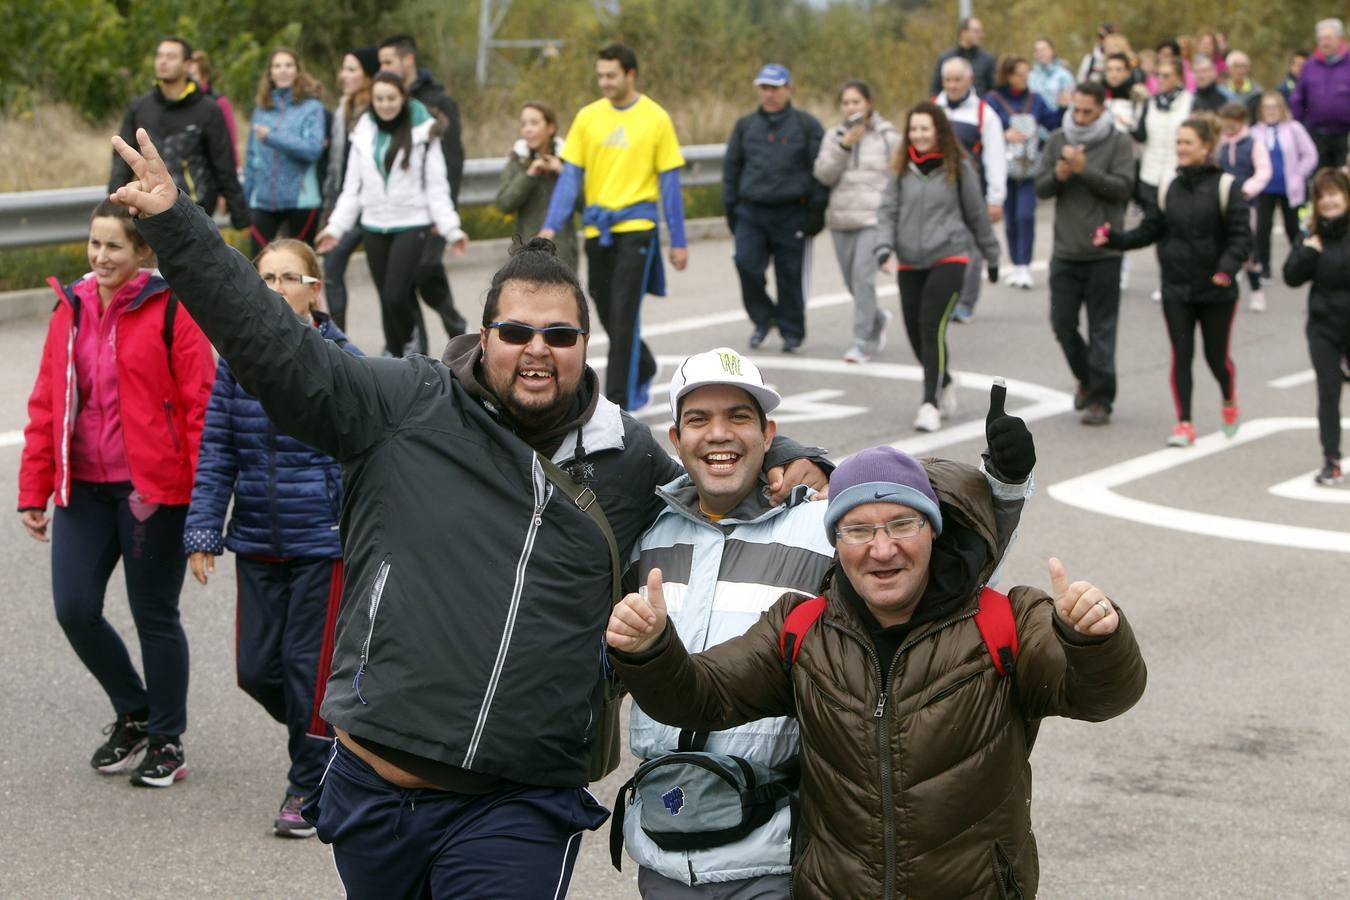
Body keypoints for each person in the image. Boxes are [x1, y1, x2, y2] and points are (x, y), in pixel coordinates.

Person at [109, 127, 829, 897]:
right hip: (375, 787)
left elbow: (716, 451)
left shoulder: (627, 458)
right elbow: (277, 347)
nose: (536, 350)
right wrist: (178, 224)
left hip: (517, 803)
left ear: (584, 344)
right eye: (515, 332)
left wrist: (800, 454)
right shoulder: (402, 402)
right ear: (482, 335)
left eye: (559, 335)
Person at [606, 440, 1147, 900]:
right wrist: (652, 650)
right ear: (835, 543)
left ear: (932, 529)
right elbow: (700, 696)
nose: (882, 549)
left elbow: (1104, 695)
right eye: (858, 530)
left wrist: (1093, 638)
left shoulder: (1007, 621)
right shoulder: (800, 628)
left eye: (902, 524)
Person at [616, 355, 1036, 898]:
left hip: (778, 852)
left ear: (770, 433)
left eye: (740, 417)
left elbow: (948, 568)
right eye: (698, 420)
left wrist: (1004, 486)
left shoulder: (824, 523)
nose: (718, 433)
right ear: (675, 437)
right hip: (665, 849)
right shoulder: (648, 537)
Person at [18, 199, 214, 788]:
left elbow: (202, 408)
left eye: (114, 246)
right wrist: (35, 487)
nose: (101, 256)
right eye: (94, 243)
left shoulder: (172, 307)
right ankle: (135, 711)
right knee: (74, 609)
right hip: (84, 488)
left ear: (143, 252)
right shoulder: (70, 306)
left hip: (152, 490)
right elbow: (47, 400)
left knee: (154, 614)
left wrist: (205, 503)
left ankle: (167, 738)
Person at [184, 239, 361, 836]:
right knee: (257, 670)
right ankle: (334, 740)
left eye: (290, 278)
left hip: (323, 542)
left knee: (307, 668)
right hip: (257, 538)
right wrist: (204, 528)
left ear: (315, 289)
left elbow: (368, 450)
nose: (278, 289)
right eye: (267, 279)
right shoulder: (238, 360)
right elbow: (216, 451)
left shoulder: (342, 359)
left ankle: (307, 790)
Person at [541, 43, 690, 410]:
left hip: (637, 228)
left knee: (624, 313)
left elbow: (670, 185)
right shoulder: (588, 117)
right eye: (600, 76)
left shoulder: (655, 118)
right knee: (603, 308)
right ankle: (647, 363)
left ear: (630, 75)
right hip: (598, 230)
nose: (604, 82)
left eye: (611, 75)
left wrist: (678, 240)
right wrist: (550, 226)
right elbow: (570, 178)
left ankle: (617, 405)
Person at [1097, 116, 1252, 447]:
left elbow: (1241, 237)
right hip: (1176, 287)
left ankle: (1228, 397)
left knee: (1215, 358)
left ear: (1206, 147)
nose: (1180, 148)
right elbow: (1150, 229)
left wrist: (1226, 269)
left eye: (1187, 143)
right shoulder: (1169, 186)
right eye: (1178, 142)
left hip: (1217, 289)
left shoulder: (1226, 187)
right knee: (1181, 355)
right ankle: (1185, 423)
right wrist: (1115, 239)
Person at [316, 72, 468, 357]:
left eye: (391, 98)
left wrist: (452, 229)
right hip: (374, 225)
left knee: (396, 295)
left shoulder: (424, 131)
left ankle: (408, 343)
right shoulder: (363, 130)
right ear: (372, 100)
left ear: (403, 98)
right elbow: (352, 188)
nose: (385, 105)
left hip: (412, 224)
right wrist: (335, 228)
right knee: (386, 300)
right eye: (379, 99)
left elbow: (437, 186)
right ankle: (395, 356)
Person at [875, 102, 999, 432]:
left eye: (925, 129)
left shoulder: (958, 167)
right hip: (911, 261)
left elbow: (976, 215)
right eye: (913, 129)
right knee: (916, 334)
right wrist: (884, 247)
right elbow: (887, 211)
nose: (918, 135)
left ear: (939, 131)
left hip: (950, 256)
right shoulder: (901, 168)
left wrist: (993, 255)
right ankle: (944, 379)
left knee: (932, 327)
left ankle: (929, 403)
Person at [1036, 81, 1136, 427]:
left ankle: (1100, 399)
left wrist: (1084, 170)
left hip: (1104, 252)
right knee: (1061, 323)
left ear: (1102, 110)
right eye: (1075, 109)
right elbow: (1041, 186)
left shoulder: (1117, 142)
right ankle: (1086, 377)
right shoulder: (1057, 140)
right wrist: (1059, 174)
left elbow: (1124, 188)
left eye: (1086, 111)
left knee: (1102, 330)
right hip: (1065, 249)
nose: (1079, 116)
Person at [723, 64, 827, 353]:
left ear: (788, 89)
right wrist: (731, 209)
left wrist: (816, 213)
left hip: (792, 213)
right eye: (764, 88)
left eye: (775, 88)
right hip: (751, 213)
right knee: (746, 264)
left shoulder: (807, 125)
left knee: (790, 275)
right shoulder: (745, 126)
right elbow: (731, 169)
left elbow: (821, 171)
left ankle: (792, 330)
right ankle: (764, 317)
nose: (769, 94)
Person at [378, 35, 469, 343]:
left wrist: (444, 213)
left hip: (432, 207)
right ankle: (414, 349)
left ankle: (453, 322)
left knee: (426, 269)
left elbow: (452, 161)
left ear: (408, 61)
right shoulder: (389, 102)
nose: (383, 69)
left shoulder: (438, 102)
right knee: (402, 284)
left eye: (388, 62)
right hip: (399, 214)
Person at [109, 37, 248, 230]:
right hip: (151, 210)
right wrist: (114, 209)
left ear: (188, 65)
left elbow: (223, 163)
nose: (163, 61)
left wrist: (240, 215)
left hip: (196, 212)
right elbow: (121, 161)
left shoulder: (208, 110)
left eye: (171, 56)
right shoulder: (140, 107)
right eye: (159, 56)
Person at [813, 79, 899, 363]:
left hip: (873, 220)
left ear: (868, 104)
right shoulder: (833, 136)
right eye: (846, 103)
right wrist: (844, 146)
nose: (851, 107)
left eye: (856, 102)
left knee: (863, 281)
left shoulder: (887, 137)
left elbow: (898, 178)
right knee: (852, 283)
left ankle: (861, 342)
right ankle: (876, 318)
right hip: (841, 220)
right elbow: (823, 174)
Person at [1283, 168, 1350, 486]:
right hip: (1323, 325)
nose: (1329, 201)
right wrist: (1309, 251)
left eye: (1334, 193)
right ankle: (1331, 458)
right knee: (1328, 391)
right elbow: (1291, 277)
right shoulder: (1312, 236)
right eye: (1322, 196)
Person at [934, 57, 1005, 323]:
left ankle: (965, 301)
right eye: (947, 80)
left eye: (957, 80)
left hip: (972, 193)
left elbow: (995, 158)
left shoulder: (984, 114)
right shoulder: (933, 109)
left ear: (969, 80)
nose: (952, 85)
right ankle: (944, 298)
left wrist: (995, 198)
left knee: (971, 249)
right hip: (937, 193)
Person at [986, 55, 1062, 289]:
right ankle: (1016, 264)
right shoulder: (993, 100)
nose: (1025, 78)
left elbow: (1051, 122)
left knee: (1025, 215)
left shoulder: (1035, 99)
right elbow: (986, 128)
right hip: (1003, 167)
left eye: (1027, 73)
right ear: (1008, 76)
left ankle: (1025, 266)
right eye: (1020, 73)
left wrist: (1065, 107)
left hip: (1029, 167)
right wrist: (1002, 134)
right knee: (1010, 219)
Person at [243, 47, 326, 256]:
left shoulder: (312, 107)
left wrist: (273, 137)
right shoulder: (261, 110)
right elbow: (252, 159)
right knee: (257, 265)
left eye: (288, 65)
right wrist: (246, 199)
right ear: (270, 73)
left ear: (298, 71)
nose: (283, 70)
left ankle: (312, 290)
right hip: (263, 201)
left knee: (302, 270)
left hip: (301, 200)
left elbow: (313, 150)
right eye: (277, 66)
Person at [320, 46, 378, 332]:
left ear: (369, 75)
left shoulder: (380, 108)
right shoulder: (344, 108)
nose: (344, 75)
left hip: (376, 206)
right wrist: (331, 205)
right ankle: (338, 335)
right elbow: (337, 163)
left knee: (389, 280)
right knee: (331, 265)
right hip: (347, 203)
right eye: (344, 68)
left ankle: (407, 337)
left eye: (352, 69)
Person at [496, 101, 580, 273]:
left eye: (534, 123)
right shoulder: (516, 162)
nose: (528, 129)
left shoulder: (569, 161)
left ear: (550, 127)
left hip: (563, 254)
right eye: (524, 124)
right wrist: (530, 175)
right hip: (525, 254)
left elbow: (586, 204)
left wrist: (562, 173)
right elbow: (504, 204)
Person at [1251, 92, 1319, 296]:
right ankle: (1264, 267)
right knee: (1262, 228)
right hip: (1264, 188)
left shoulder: (1294, 129)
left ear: (1281, 109)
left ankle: (1300, 265)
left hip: (1290, 188)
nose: (1270, 111)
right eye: (1266, 107)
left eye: (1275, 107)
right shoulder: (1255, 132)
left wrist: (1299, 174)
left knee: (1293, 229)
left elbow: (1310, 154)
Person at [1217, 103, 1273, 310]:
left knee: (1248, 246)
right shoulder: (1220, 144)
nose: (1228, 127)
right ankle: (1224, 287)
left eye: (1233, 123)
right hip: (1222, 202)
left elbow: (1264, 171)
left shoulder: (1253, 144)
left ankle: (1256, 290)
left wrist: (1246, 189)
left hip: (1246, 203)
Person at [1290, 19, 1350, 171]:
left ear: (1339, 39)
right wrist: (1296, 128)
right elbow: (1298, 98)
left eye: (1328, 38)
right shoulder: (1310, 66)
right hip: (1316, 135)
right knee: (1319, 178)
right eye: (1321, 39)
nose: (1324, 43)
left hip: (1346, 136)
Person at [186, 50, 238, 166]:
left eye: (193, 75)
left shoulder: (220, 102)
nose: (188, 79)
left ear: (204, 76)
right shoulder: (182, 102)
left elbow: (231, 141)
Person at [931, 17, 997, 96]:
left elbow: (993, 92)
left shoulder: (988, 60)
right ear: (963, 33)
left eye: (981, 32)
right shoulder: (945, 58)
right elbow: (935, 90)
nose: (981, 35)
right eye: (976, 32)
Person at [1030, 37, 1076, 113]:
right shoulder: (1030, 76)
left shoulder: (1064, 75)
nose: (1040, 53)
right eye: (1037, 50)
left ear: (1052, 51)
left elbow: (1070, 101)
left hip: (1058, 120)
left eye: (1043, 49)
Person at [1222, 50, 1263, 120]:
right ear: (1228, 68)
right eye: (1236, 66)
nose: (1240, 70)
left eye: (1244, 66)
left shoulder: (1257, 92)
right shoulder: (1221, 90)